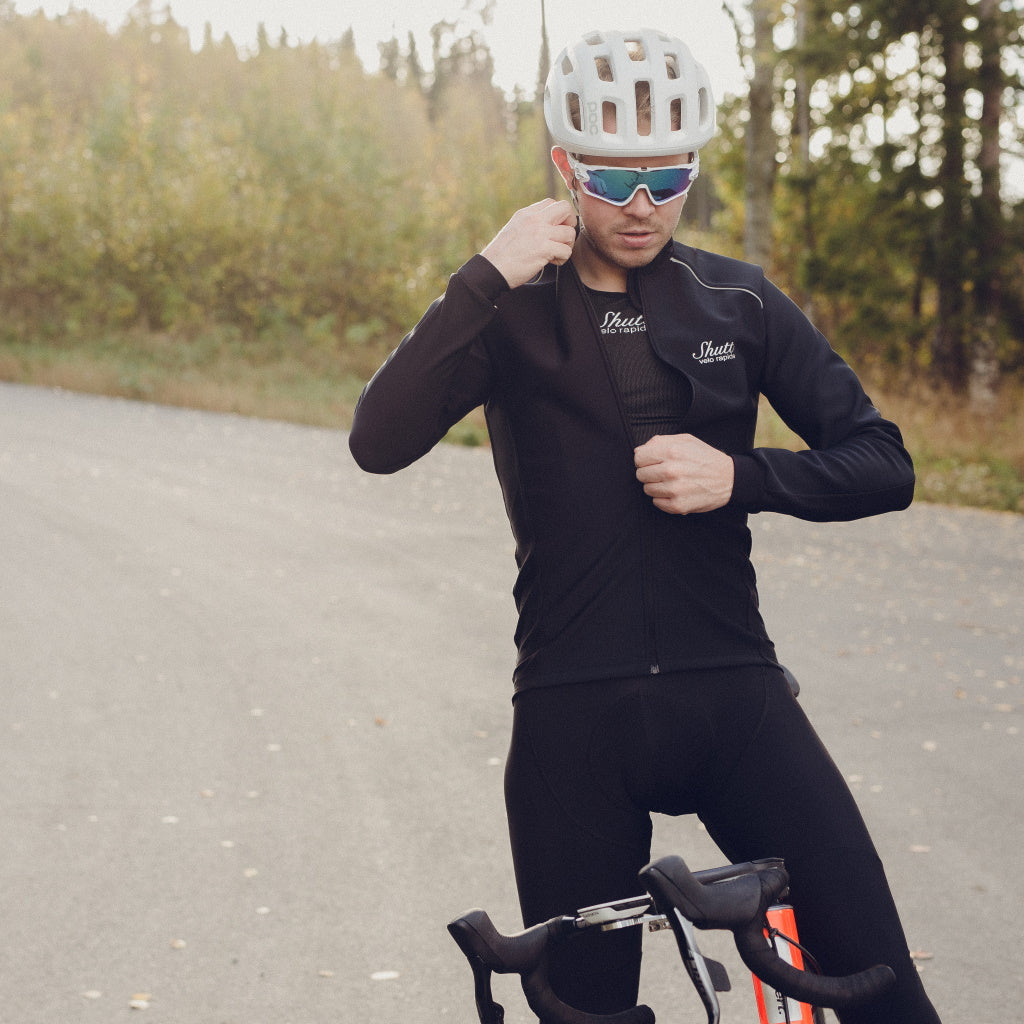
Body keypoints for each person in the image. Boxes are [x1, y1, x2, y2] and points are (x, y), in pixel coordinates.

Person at [349, 27, 942, 1024]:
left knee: (888, 996)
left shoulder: (738, 299)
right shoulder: (508, 312)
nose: (640, 205)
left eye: (666, 178)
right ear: (564, 166)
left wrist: (740, 476)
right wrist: (483, 274)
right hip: (572, 721)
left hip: (734, 696)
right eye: (612, 178)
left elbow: (883, 462)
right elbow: (377, 440)